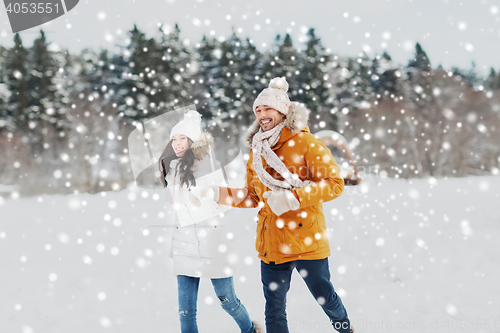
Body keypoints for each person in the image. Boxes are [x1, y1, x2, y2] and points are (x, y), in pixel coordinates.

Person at [203, 77, 353, 333]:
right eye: (258, 110)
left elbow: (334, 183)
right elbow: (252, 196)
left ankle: (345, 329)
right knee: (274, 308)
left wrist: (294, 198)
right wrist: (217, 193)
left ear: (283, 111)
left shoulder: (306, 143)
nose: (262, 114)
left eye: (267, 109)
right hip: (272, 242)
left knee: (325, 298)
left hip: (307, 241)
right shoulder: (256, 151)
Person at [158, 111, 258, 333]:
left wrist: (206, 196)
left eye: (182, 138)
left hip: (212, 243)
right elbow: (177, 209)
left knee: (228, 301)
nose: (176, 143)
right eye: (174, 139)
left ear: (193, 141)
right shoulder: (172, 170)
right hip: (185, 244)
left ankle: (250, 330)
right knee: (186, 311)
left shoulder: (211, 166)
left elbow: (224, 206)